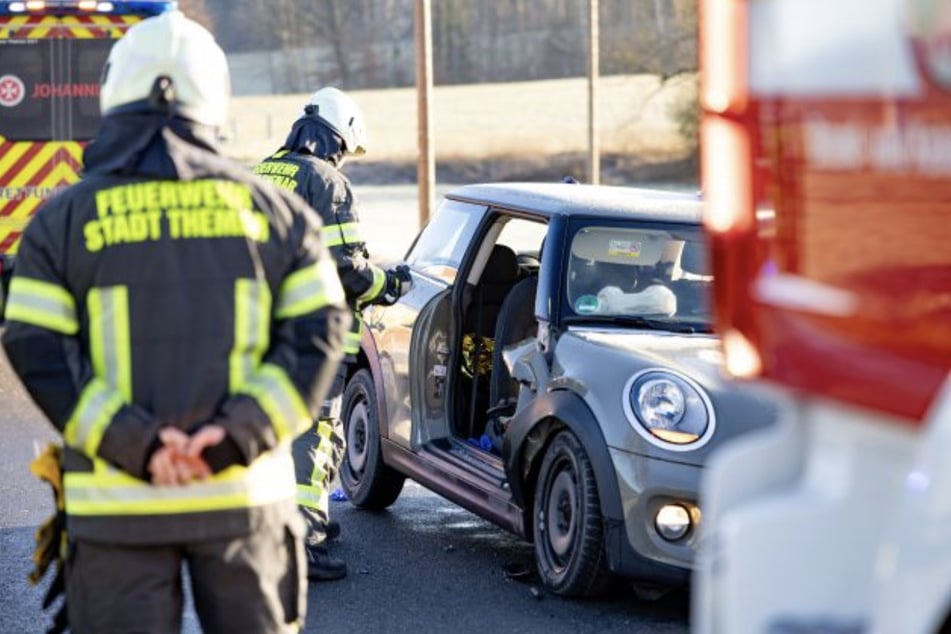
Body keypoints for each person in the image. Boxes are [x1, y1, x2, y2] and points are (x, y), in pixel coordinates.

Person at [1, 11, 350, 634]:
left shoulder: (61, 221)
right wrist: (234, 438)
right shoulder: (279, 215)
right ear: (214, 96)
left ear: (115, 93)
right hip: (244, 500)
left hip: (116, 508)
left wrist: (137, 445)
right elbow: (321, 334)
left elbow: (35, 346)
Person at [253, 87, 412, 581]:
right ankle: (303, 545)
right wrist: (390, 283)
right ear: (337, 139)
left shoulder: (260, 172)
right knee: (317, 438)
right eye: (346, 152)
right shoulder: (328, 183)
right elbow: (348, 270)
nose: (344, 161)